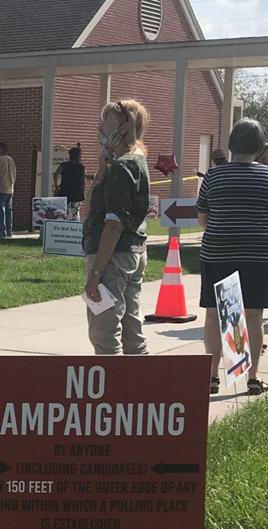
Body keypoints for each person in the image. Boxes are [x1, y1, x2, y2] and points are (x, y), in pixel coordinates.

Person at [196, 119, 268, 397]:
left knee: (214, 313)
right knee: (254, 315)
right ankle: (253, 378)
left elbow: (202, 218)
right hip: (258, 254)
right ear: (259, 147)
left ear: (232, 144)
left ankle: (211, 377)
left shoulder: (214, 175)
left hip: (218, 252)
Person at [82, 100, 151, 355]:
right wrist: (100, 172)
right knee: (131, 325)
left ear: (124, 127)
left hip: (112, 255)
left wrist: (96, 273)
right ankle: (139, 387)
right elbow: (86, 211)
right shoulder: (132, 162)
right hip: (132, 252)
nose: (100, 127)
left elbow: (114, 225)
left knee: (104, 331)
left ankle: (112, 388)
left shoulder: (124, 167)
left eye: (106, 121)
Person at [0, 142, 17, 237]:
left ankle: (2, 231)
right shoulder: (11, 160)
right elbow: (14, 174)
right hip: (9, 189)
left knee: (0, 211)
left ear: (1, 149)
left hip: (0, 188)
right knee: (9, 211)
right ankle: (9, 231)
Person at [55, 146, 87, 219]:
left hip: (64, 191)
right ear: (78, 156)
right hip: (76, 193)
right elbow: (83, 181)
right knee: (75, 212)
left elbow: (56, 174)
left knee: (63, 213)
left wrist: (56, 187)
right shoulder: (81, 167)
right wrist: (83, 192)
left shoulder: (64, 165)